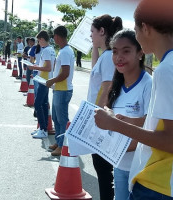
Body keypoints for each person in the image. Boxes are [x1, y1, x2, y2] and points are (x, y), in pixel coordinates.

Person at [94, 0, 173, 199]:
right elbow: (162, 124)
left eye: (136, 30)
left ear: (144, 28)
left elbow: (170, 140)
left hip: (158, 182)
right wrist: (128, 121)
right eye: (115, 52)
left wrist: (114, 124)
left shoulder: (165, 71)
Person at [107, 29, 152, 200]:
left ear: (140, 53)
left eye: (126, 51)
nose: (119, 57)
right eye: (115, 52)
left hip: (142, 169)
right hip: (120, 166)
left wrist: (116, 148)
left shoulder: (149, 85)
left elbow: (153, 125)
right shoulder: (117, 85)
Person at [88, 14, 123, 200]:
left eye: (92, 32)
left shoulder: (109, 56)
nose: (90, 35)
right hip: (101, 118)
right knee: (102, 170)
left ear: (102, 31)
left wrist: (94, 119)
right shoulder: (106, 56)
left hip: (101, 120)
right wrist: (95, 47)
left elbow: (107, 88)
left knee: (104, 171)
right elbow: (96, 70)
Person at [46, 26, 74, 156]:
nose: (53, 38)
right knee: (56, 118)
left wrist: (52, 80)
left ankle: (63, 145)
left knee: (62, 120)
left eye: (53, 36)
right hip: (59, 89)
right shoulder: (64, 50)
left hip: (63, 90)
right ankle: (59, 141)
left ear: (57, 36)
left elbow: (65, 73)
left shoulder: (65, 52)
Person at [28, 30, 55, 138]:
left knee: (38, 103)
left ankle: (43, 129)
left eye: (39, 41)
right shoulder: (51, 49)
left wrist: (34, 67)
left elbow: (48, 68)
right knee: (43, 103)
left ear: (42, 39)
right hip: (45, 79)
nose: (38, 43)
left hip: (44, 80)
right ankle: (43, 128)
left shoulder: (47, 51)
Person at [29, 42, 42, 118]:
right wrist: (32, 69)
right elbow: (31, 61)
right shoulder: (35, 48)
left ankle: (42, 110)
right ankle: (36, 109)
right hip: (36, 72)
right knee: (37, 91)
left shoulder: (48, 49)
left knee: (43, 92)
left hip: (44, 72)